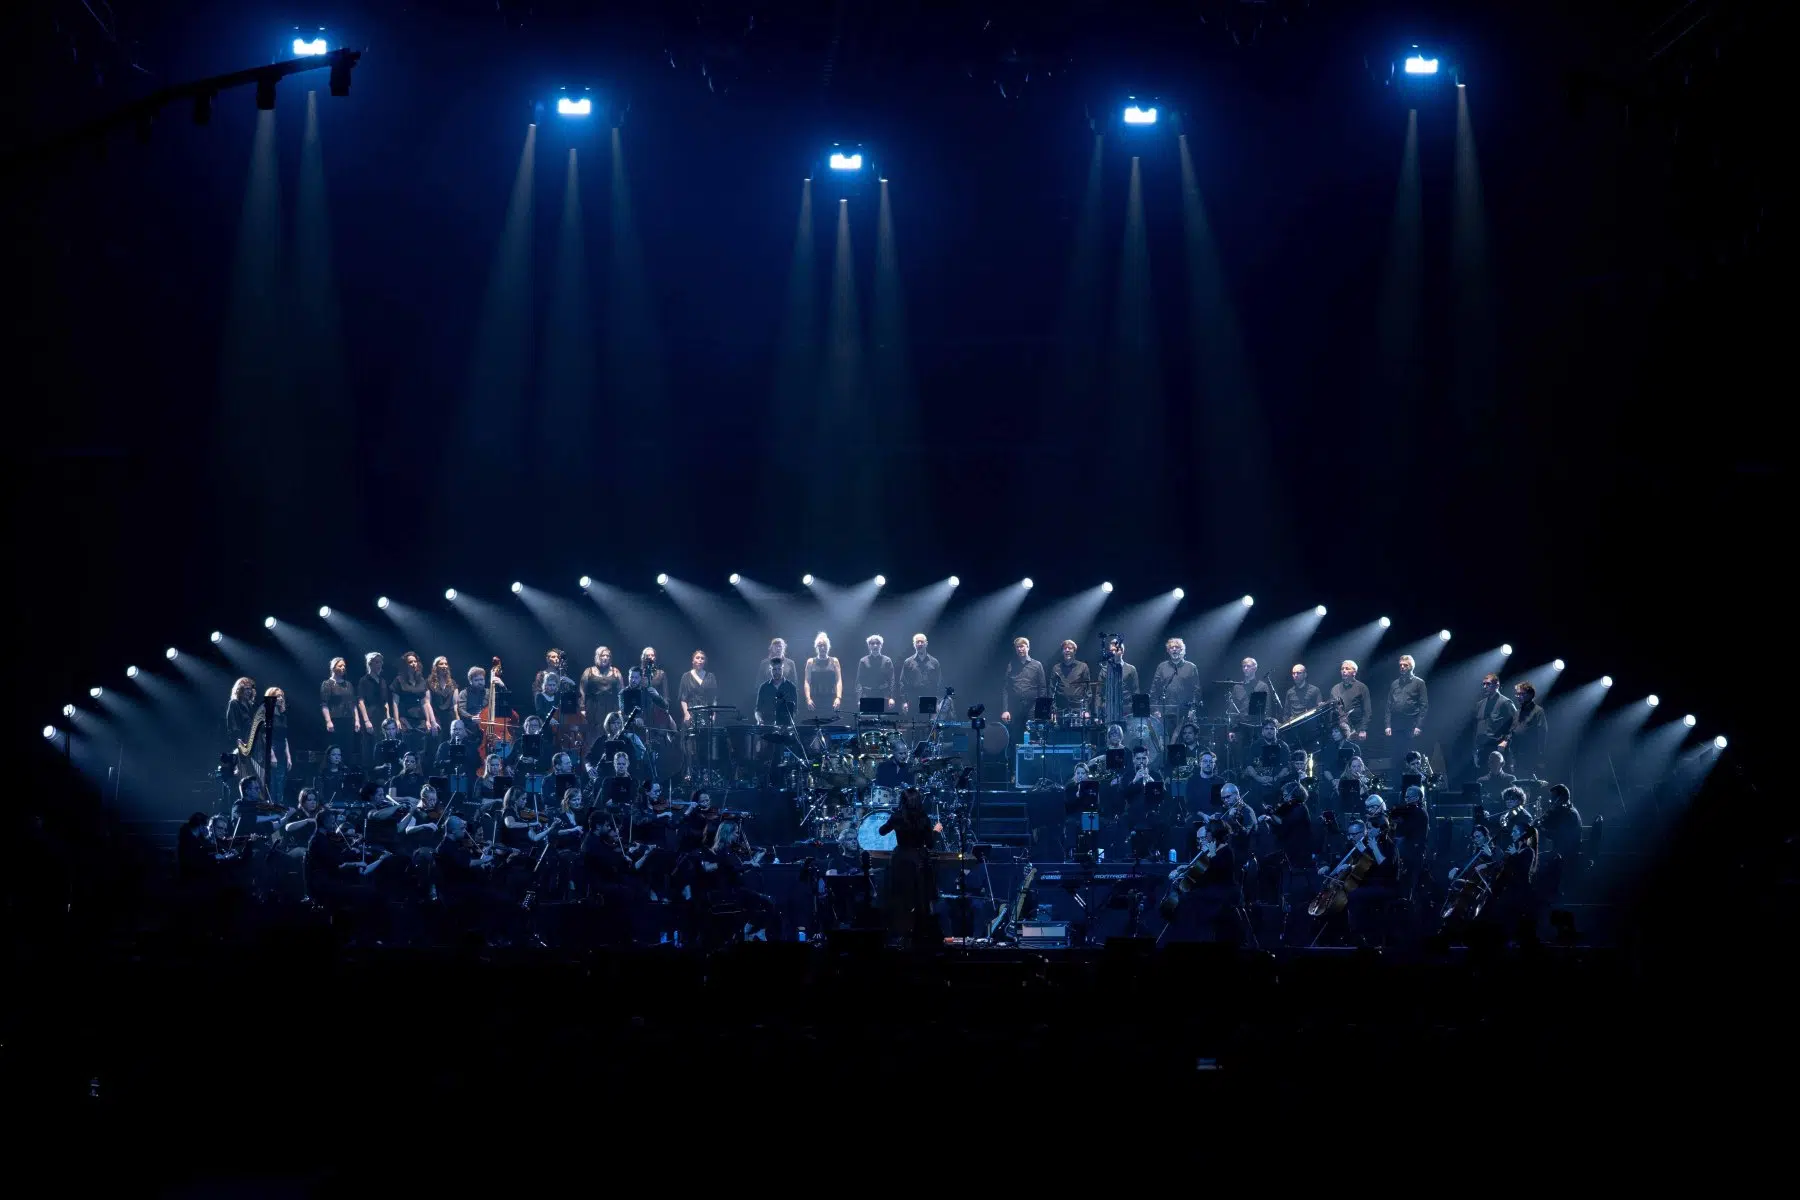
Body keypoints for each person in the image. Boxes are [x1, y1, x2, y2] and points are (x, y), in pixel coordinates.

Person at [879, 788, 940, 946]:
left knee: (901, 897)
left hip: (900, 860)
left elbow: (881, 831)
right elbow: (930, 844)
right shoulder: (923, 818)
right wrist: (935, 831)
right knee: (920, 898)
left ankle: (900, 933)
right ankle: (919, 935)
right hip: (918, 859)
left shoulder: (897, 816)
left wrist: (893, 823)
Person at [1384, 654, 1430, 764]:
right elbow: (1388, 705)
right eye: (1400, 665)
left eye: (1405, 665)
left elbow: (1424, 706)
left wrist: (1419, 726)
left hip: (1411, 724)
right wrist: (1387, 725)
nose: (1402, 667)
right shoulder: (1395, 684)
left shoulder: (1419, 683)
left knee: (1411, 754)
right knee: (1396, 754)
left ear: (1411, 667)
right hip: (1396, 724)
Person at [251, 687, 292, 804]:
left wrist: (289, 757)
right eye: (277, 696)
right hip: (271, 748)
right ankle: (271, 805)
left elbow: (285, 737)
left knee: (281, 781)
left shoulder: (283, 716)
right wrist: (272, 755)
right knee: (272, 781)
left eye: (281, 696)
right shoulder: (267, 715)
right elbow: (264, 736)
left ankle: (279, 805)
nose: (280, 698)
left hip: (282, 749)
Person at [1150, 638, 1201, 728]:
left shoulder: (1191, 667)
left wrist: (1192, 709)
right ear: (1168, 651)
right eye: (1171, 647)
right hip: (1165, 712)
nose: (1174, 649)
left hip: (1184, 712)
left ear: (1182, 650)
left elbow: (1196, 690)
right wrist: (1155, 709)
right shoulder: (1162, 667)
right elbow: (1154, 690)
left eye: (1177, 647)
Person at [1473, 673, 1518, 774]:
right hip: (1482, 749)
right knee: (1483, 777)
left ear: (1497, 685)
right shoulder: (1480, 704)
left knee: (1501, 778)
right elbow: (1477, 728)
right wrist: (1475, 750)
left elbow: (1516, 723)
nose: (1485, 687)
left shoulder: (1505, 702)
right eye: (1483, 684)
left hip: (1498, 748)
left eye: (1488, 684)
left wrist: (1505, 741)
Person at [1505, 681, 1549, 778]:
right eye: (1517, 694)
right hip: (1517, 756)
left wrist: (1540, 757)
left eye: (1521, 694)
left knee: (1530, 782)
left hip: (1531, 756)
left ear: (1530, 694)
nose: (1518, 696)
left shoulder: (1538, 711)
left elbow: (1542, 734)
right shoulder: (1517, 713)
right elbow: (1512, 732)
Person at [1001, 637, 1047, 726]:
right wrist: (1005, 710)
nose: (1019, 649)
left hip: (1033, 708)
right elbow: (1006, 689)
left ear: (1028, 647)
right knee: (1015, 733)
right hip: (1015, 708)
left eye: (1022, 646)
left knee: (1033, 733)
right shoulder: (1011, 665)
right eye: (1017, 647)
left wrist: (1041, 710)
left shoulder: (1037, 665)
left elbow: (1042, 688)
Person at [319, 658, 358, 759]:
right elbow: (324, 704)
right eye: (340, 666)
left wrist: (357, 720)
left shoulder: (348, 684)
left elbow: (353, 704)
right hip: (335, 720)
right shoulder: (327, 684)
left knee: (348, 747)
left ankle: (347, 767)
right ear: (333, 668)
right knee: (336, 747)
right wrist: (328, 721)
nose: (343, 668)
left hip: (348, 719)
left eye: (344, 666)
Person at [355, 653, 389, 769]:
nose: (379, 665)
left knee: (381, 743)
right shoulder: (364, 680)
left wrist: (388, 718)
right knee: (369, 744)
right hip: (370, 715)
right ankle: (369, 772)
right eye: (376, 662)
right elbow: (361, 701)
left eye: (380, 662)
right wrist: (366, 720)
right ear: (370, 664)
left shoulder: (382, 681)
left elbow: (385, 701)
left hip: (382, 716)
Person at [1330, 660, 1372, 742]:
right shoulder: (1334, 689)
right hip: (1339, 732)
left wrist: (1363, 729)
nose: (1344, 671)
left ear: (1354, 672)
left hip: (1356, 730)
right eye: (1342, 669)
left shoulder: (1362, 687)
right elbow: (1332, 712)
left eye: (1347, 668)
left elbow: (1367, 711)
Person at [1049, 639, 1090, 720]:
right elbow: (1051, 690)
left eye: (1070, 648)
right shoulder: (1056, 668)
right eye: (1065, 648)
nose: (1067, 650)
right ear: (1062, 652)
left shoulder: (1083, 666)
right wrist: (1052, 710)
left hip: (1078, 709)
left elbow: (1088, 690)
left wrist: (1086, 710)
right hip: (1060, 709)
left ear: (1074, 651)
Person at [899, 634, 941, 711]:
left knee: (928, 719)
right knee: (913, 719)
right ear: (914, 644)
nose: (920, 644)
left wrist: (937, 702)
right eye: (917, 642)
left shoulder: (934, 662)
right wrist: (904, 701)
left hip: (929, 698)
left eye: (922, 642)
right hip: (913, 699)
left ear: (926, 643)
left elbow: (938, 683)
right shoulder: (908, 662)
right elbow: (903, 682)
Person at [804, 633, 842, 716]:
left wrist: (838, 697)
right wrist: (808, 699)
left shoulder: (834, 661)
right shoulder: (810, 662)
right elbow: (807, 682)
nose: (822, 648)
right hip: (814, 699)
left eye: (824, 645)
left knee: (831, 721)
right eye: (820, 645)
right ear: (816, 647)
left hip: (831, 699)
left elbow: (839, 680)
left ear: (828, 647)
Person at [678, 650, 718, 725]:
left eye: (702, 658)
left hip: (706, 713)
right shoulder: (686, 676)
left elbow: (714, 698)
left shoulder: (710, 676)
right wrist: (686, 714)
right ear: (693, 661)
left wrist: (714, 715)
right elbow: (683, 698)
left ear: (705, 661)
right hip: (691, 713)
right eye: (697, 658)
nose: (700, 660)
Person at [856, 635, 896, 710]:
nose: (875, 645)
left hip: (883, 696)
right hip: (867, 696)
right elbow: (859, 681)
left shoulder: (887, 661)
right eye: (872, 643)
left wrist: (892, 697)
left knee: (883, 717)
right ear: (869, 646)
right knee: (868, 717)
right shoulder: (863, 661)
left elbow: (892, 680)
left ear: (881, 645)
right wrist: (859, 698)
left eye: (877, 643)